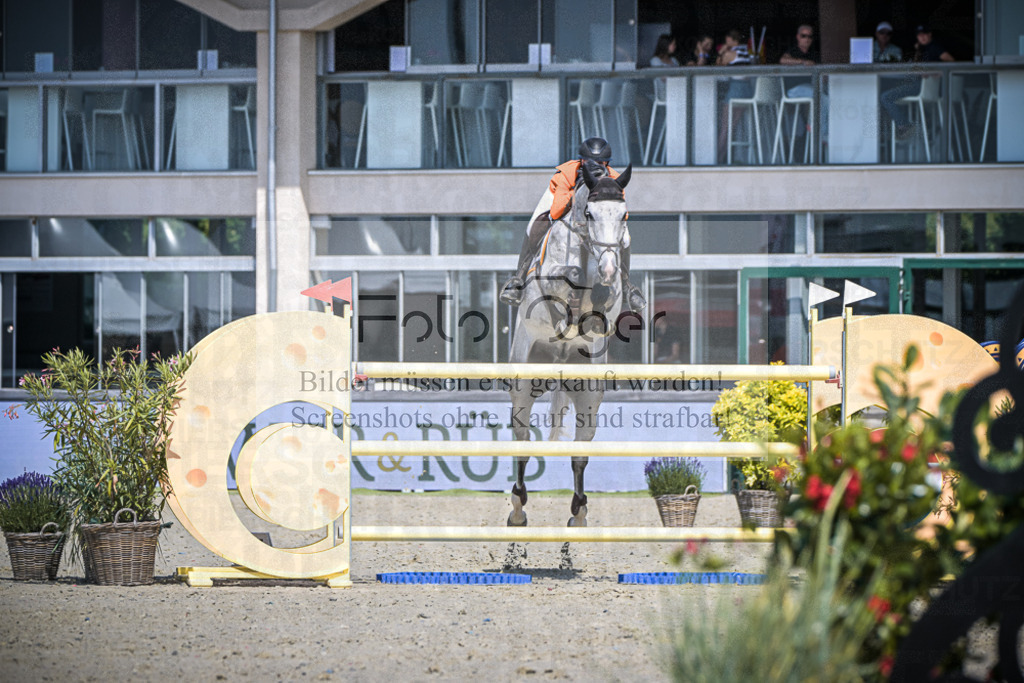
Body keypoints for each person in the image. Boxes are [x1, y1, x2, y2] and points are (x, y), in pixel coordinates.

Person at [499, 137, 646, 313]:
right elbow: (556, 211)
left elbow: (622, 214)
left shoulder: (613, 179)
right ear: (581, 161)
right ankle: (519, 279)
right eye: (589, 161)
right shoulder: (567, 173)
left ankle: (625, 284)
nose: (595, 165)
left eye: (600, 162)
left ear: (606, 163)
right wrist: (580, 193)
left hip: (595, 213)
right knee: (534, 223)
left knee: (626, 237)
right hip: (562, 195)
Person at [881, 25, 954, 139]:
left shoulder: (934, 47)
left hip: (920, 87)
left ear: (930, 34)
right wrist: (918, 50)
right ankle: (909, 125)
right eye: (919, 35)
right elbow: (916, 67)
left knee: (886, 97)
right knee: (890, 93)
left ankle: (904, 125)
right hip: (919, 85)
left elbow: (952, 62)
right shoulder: (923, 49)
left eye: (924, 34)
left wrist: (937, 72)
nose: (922, 37)